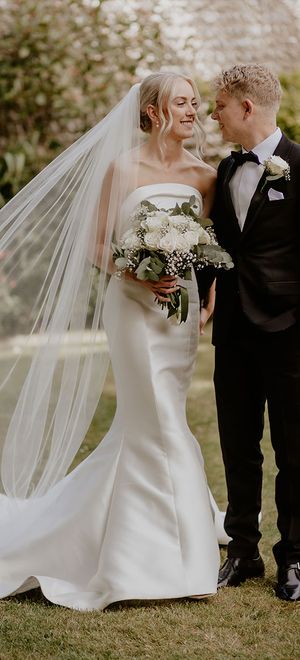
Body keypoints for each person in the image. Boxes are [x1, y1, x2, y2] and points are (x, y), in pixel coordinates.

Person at [0, 71, 224, 611]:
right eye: (182, 103)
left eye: (196, 103)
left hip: (179, 313)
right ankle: (172, 556)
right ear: (151, 112)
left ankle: (142, 538)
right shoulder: (122, 168)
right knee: (158, 421)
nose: (194, 111)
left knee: (156, 419)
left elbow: (205, 247)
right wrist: (136, 273)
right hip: (130, 309)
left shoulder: (206, 176)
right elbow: (97, 245)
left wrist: (207, 292)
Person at [210, 63, 300, 601]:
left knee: (295, 449)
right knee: (237, 444)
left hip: (291, 331)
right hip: (234, 331)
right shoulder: (224, 170)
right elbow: (222, 247)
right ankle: (241, 549)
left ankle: (293, 557)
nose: (214, 114)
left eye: (220, 105)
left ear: (246, 107)